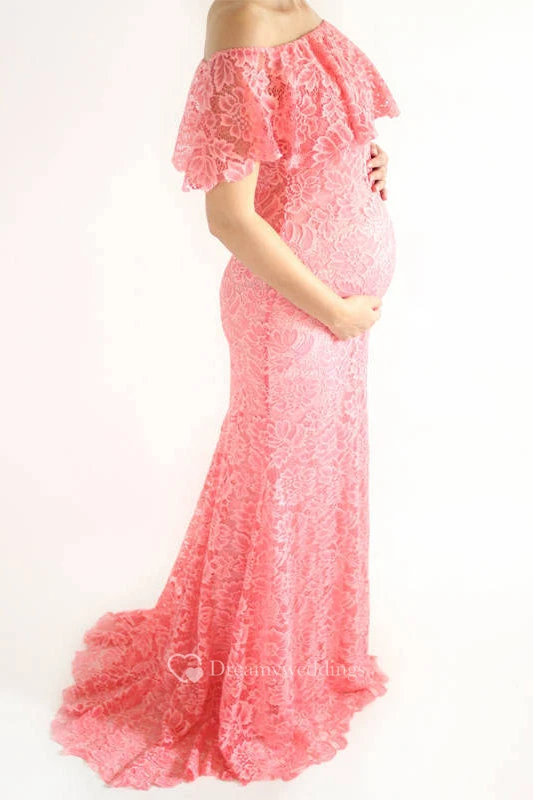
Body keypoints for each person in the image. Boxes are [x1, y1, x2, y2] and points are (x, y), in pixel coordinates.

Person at [50, 0, 400, 788]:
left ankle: (301, 665)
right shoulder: (242, 17)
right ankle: (257, 688)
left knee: (315, 490)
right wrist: (334, 310)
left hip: (336, 317)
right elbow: (230, 217)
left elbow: (310, 141)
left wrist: (364, 162)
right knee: (277, 498)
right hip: (293, 315)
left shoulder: (297, 6)